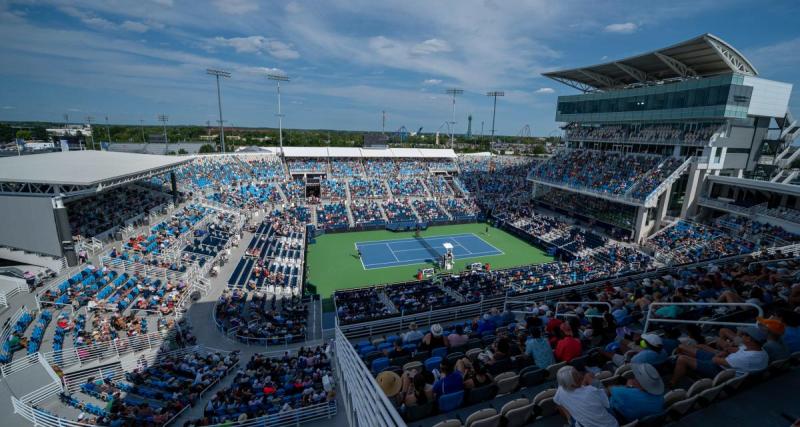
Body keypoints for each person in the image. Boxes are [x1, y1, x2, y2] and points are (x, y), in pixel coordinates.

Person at [670, 326, 768, 386]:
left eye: (745, 335)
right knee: (682, 347)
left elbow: (715, 360)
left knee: (682, 359)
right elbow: (734, 350)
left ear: (750, 339)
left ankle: (673, 382)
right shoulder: (761, 350)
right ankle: (683, 366)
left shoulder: (747, 359)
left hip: (718, 369)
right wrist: (725, 351)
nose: (742, 336)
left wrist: (722, 353)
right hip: (722, 361)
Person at [553, 366, 619, 427]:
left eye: (577, 373)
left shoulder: (560, 392)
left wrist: (569, 416)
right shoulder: (590, 390)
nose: (580, 375)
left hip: (583, 424)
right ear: (572, 385)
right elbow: (606, 401)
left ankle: (570, 421)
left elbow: (556, 400)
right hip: (611, 425)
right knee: (611, 391)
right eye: (576, 376)